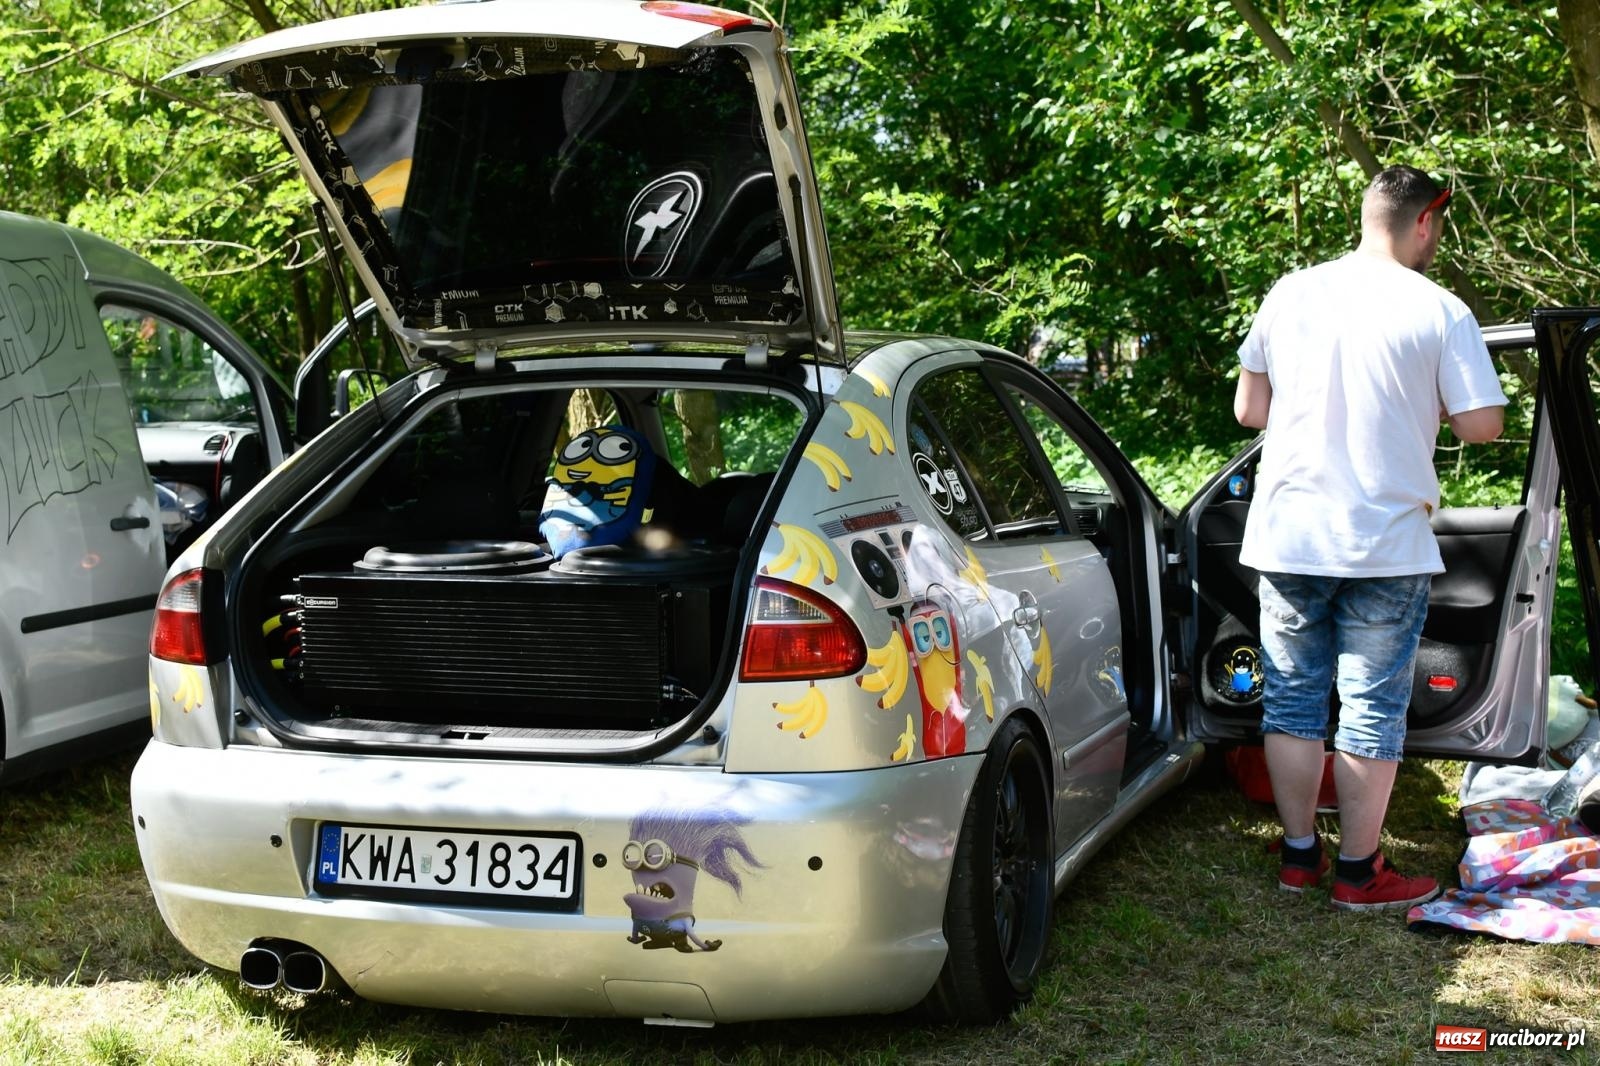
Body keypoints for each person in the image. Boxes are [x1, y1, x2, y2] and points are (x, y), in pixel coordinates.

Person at [1233, 165, 1507, 911]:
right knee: (1370, 707)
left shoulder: (1291, 293)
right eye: (1439, 228)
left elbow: (1248, 410)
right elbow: (1483, 424)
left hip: (1289, 535)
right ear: (1425, 221)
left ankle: (1297, 858)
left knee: (1290, 700)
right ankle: (1358, 874)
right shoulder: (1440, 309)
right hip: (1383, 541)